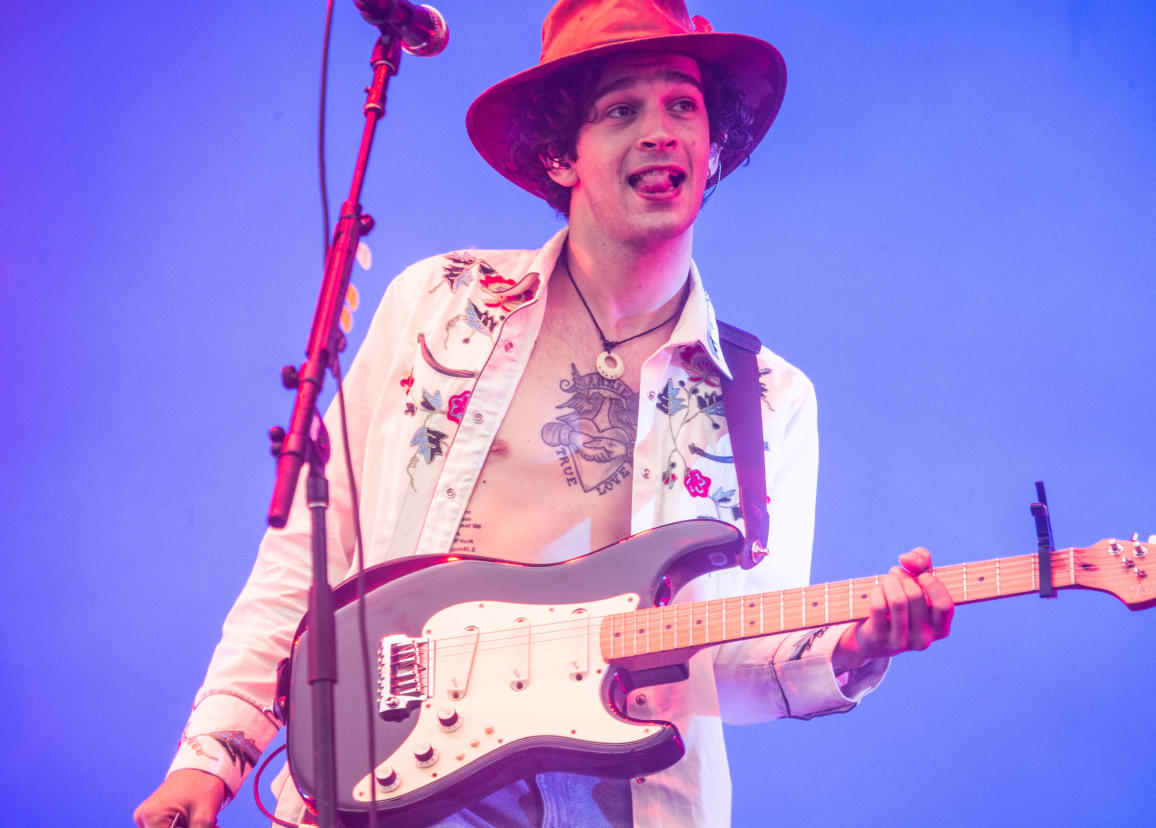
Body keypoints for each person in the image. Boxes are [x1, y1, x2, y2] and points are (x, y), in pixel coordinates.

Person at [134, 1, 954, 826]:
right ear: (562, 154)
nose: (661, 130)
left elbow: (732, 664)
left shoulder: (768, 396)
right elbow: (309, 552)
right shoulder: (441, 304)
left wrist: (855, 648)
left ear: (713, 148)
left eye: (682, 105)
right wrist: (213, 753)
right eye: (621, 109)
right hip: (375, 793)